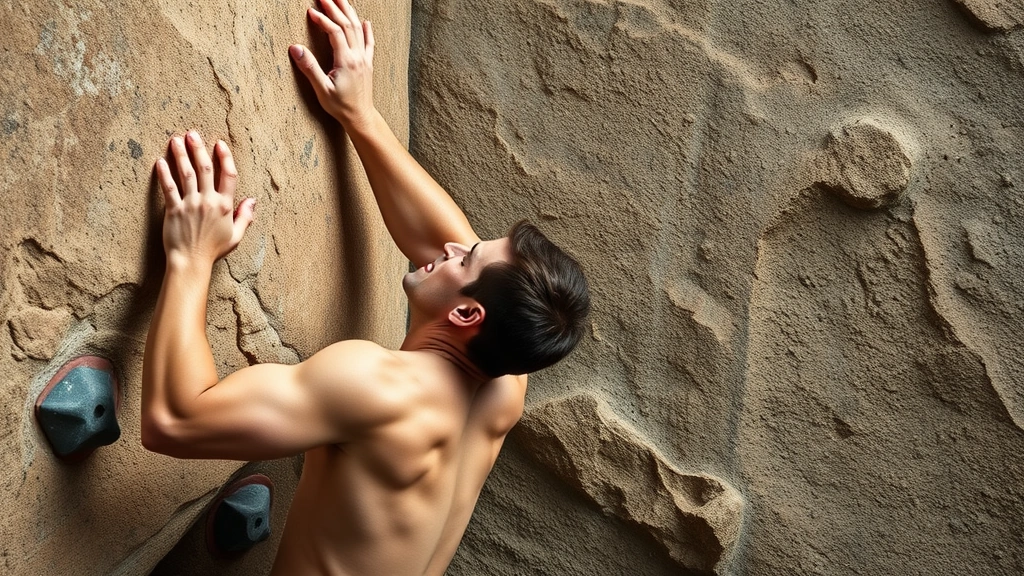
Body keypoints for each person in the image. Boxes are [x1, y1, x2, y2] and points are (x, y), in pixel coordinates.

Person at [141, 0, 590, 574]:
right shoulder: (503, 385)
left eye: (468, 257)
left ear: (466, 316)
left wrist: (191, 256)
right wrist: (361, 115)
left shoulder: (379, 388)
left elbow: (174, 421)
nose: (450, 247)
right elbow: (444, 248)